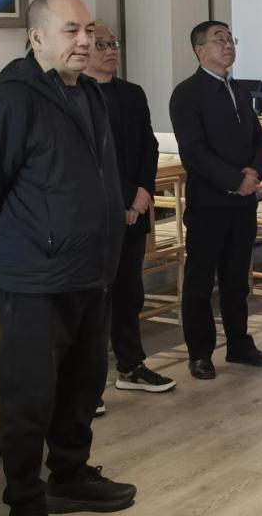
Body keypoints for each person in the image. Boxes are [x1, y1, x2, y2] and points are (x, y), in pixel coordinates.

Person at [0, 0, 136, 516]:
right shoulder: (12, 101)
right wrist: (6, 252)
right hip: (35, 277)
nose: (85, 41)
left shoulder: (90, 93)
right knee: (30, 394)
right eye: (70, 30)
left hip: (91, 270)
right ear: (36, 37)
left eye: (89, 31)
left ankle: (70, 476)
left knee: (83, 385)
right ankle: (25, 496)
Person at [169, 20, 262, 380]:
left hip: (243, 204)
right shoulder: (187, 94)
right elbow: (194, 152)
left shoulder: (238, 89)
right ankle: (200, 353)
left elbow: (259, 138)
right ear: (200, 51)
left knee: (236, 279)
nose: (228, 45)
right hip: (209, 204)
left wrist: (254, 173)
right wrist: (235, 181)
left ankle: (239, 344)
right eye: (219, 40)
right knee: (200, 281)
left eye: (230, 39)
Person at [83, 24, 175, 397]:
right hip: (96, 213)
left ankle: (131, 365)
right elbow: (88, 158)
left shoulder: (132, 93)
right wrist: (124, 196)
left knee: (129, 292)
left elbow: (148, 146)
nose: (110, 50)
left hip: (135, 209)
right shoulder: (75, 94)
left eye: (113, 43)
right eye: (100, 45)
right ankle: (87, 387)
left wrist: (143, 193)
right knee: (93, 299)